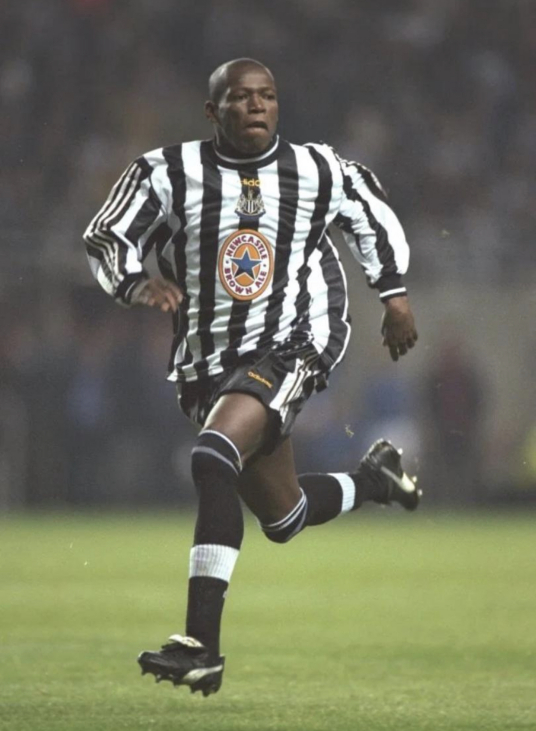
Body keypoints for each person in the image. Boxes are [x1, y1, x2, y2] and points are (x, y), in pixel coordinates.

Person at [83, 57, 420, 697]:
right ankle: (375, 481)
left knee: (212, 456)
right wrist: (134, 283)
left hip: (297, 338)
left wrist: (394, 294)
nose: (257, 105)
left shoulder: (316, 168)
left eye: (267, 95)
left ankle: (201, 647)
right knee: (284, 516)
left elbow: (368, 210)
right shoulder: (166, 172)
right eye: (241, 97)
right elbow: (106, 234)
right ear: (214, 111)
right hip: (208, 359)